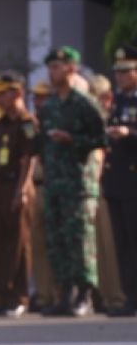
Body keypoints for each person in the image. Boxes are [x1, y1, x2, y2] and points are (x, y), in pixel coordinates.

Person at [36, 46, 107, 317]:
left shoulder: (85, 103)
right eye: (51, 67)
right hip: (54, 182)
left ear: (71, 69)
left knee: (80, 241)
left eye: (57, 66)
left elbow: (101, 140)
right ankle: (65, 294)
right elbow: (42, 142)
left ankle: (85, 295)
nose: (52, 72)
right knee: (57, 240)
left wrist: (73, 140)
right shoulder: (50, 106)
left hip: (77, 184)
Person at [0, 72, 39, 317]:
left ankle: (19, 296)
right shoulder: (0, 123)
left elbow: (28, 157)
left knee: (19, 242)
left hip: (17, 184)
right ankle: (2, 295)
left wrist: (23, 188)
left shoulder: (26, 122)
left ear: (17, 93)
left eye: (3, 92)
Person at [88, 76, 127, 313]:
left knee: (114, 246)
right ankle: (106, 295)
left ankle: (119, 295)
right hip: (102, 187)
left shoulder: (115, 118)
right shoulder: (101, 122)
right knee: (102, 247)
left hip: (114, 186)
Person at [104, 45, 137, 316]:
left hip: (134, 182)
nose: (120, 77)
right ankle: (130, 297)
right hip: (117, 182)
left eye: (126, 72)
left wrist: (130, 133)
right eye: (118, 72)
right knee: (123, 244)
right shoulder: (117, 101)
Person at [28, 80, 58, 311]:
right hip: (35, 186)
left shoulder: (56, 121)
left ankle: (59, 294)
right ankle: (44, 294)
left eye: (42, 97)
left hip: (53, 184)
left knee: (55, 243)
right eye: (36, 98)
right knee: (37, 244)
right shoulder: (33, 124)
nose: (37, 102)